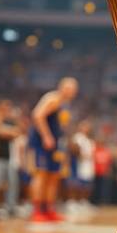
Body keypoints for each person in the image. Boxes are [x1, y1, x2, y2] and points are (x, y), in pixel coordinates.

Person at [29, 77, 79, 222]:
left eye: (74, 89)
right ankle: (37, 210)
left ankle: (49, 210)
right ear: (61, 87)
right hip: (43, 143)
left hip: (56, 144)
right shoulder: (53, 98)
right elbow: (37, 115)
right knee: (42, 174)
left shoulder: (65, 104)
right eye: (69, 88)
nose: (72, 92)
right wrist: (46, 136)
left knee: (53, 176)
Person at [70, 120, 96, 214]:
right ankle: (73, 202)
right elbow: (73, 148)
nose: (86, 128)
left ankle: (83, 202)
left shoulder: (90, 140)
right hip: (79, 163)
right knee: (77, 184)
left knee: (87, 185)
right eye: (84, 126)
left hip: (89, 164)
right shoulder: (77, 137)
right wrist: (80, 154)